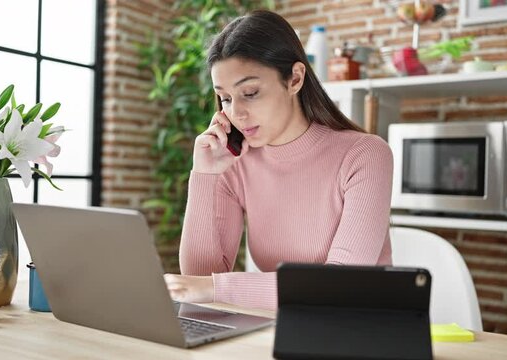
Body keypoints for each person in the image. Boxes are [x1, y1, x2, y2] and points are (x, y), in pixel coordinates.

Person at [163, 9, 393, 311]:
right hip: (279, 327)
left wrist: (216, 287)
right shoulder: (236, 163)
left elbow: (341, 285)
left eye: (250, 92)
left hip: (360, 330)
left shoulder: (365, 154)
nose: (237, 113)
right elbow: (200, 278)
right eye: (226, 98)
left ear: (295, 79)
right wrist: (204, 174)